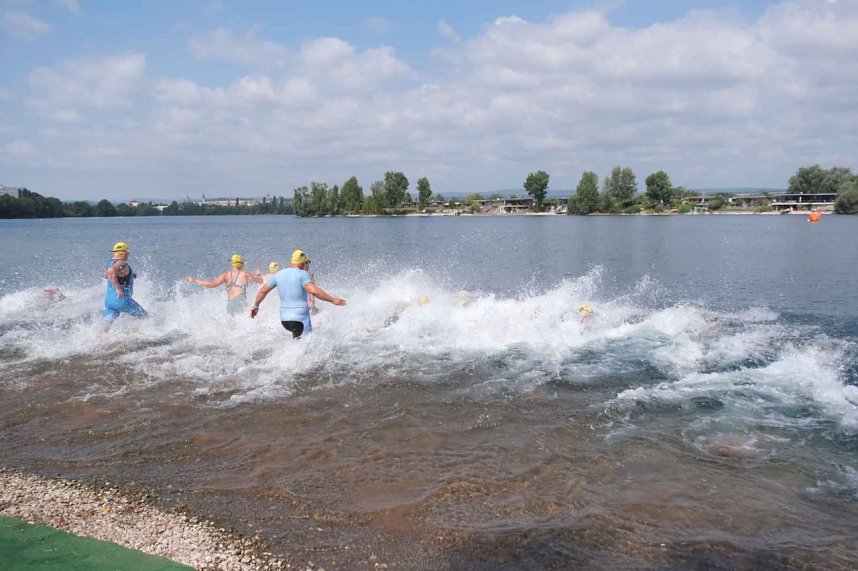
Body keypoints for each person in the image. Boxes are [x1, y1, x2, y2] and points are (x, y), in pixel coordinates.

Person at [250, 249, 347, 338]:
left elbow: (263, 291)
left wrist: (255, 306)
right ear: (304, 262)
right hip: (300, 318)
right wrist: (333, 300)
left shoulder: (278, 274)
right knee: (306, 347)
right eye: (308, 262)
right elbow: (313, 291)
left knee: (297, 343)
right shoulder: (303, 274)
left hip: (285, 320)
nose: (308, 265)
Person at [187, 254, 263, 315]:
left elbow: (211, 284)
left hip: (230, 304)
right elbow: (260, 281)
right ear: (242, 264)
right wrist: (258, 274)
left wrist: (194, 280)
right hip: (240, 302)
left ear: (232, 264)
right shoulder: (246, 274)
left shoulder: (226, 275)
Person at [104, 242, 147, 326]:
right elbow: (110, 272)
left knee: (108, 325)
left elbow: (107, 274)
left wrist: (130, 275)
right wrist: (118, 289)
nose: (128, 256)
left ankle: (98, 337)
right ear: (123, 253)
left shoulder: (110, 263)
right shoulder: (121, 263)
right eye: (127, 253)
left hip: (110, 301)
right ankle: (149, 336)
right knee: (146, 317)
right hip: (122, 300)